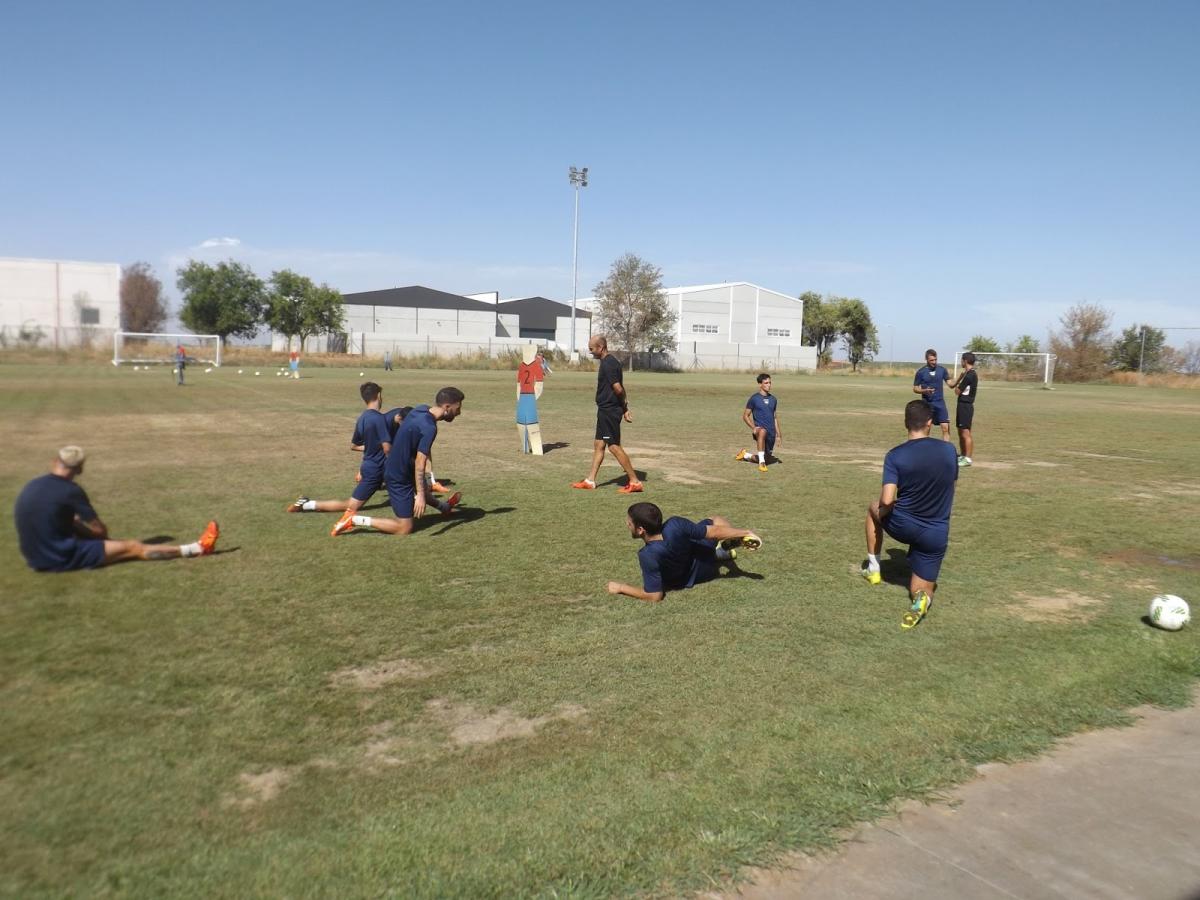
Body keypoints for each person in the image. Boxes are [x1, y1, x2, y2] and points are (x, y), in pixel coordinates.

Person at [14, 446, 219, 571]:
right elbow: (100, 531)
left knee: (73, 521)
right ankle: (198, 548)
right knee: (133, 547)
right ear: (80, 468)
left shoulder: (33, 484)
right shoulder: (70, 490)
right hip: (58, 557)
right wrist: (105, 541)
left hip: (33, 555)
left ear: (55, 461)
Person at [861, 399, 958, 629]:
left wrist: (887, 508)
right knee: (919, 587)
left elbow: (886, 499)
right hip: (936, 531)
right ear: (930, 423)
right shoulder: (949, 450)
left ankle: (873, 569)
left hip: (904, 525)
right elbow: (952, 486)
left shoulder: (895, 455)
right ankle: (921, 599)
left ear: (906, 423)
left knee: (873, 508)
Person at [332, 387, 464, 536]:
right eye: (457, 408)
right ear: (446, 407)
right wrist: (419, 495)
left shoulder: (420, 410)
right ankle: (354, 519)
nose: (459, 412)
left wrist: (421, 491)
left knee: (423, 489)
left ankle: (445, 508)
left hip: (403, 468)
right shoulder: (429, 427)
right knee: (404, 527)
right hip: (398, 476)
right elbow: (421, 462)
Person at [605, 502, 762, 602]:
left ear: (640, 530)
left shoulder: (648, 555)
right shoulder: (675, 524)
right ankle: (722, 550)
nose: (627, 525)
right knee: (716, 520)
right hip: (703, 556)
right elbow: (713, 531)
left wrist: (621, 588)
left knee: (708, 536)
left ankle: (720, 553)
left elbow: (654, 596)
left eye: (629, 523)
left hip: (700, 575)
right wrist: (745, 532)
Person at [286, 382, 393, 524]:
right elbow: (387, 448)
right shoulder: (379, 418)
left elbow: (355, 445)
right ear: (378, 396)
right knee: (351, 505)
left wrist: (372, 448)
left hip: (369, 466)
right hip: (376, 470)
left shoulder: (362, 418)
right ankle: (307, 504)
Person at [572, 335, 642, 493]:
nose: (590, 352)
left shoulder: (608, 364)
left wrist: (624, 408)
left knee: (614, 446)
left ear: (601, 347)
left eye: (592, 349)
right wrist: (624, 409)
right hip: (605, 410)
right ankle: (590, 480)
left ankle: (635, 481)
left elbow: (618, 388)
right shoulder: (610, 362)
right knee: (599, 444)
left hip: (609, 411)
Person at [735, 373, 782, 472]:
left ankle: (746, 455)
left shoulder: (773, 399)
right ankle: (761, 463)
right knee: (762, 431)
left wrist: (778, 435)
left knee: (768, 459)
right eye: (766, 383)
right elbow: (745, 416)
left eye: (770, 383)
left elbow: (774, 418)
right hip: (759, 430)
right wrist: (754, 427)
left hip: (771, 432)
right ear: (760, 384)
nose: (769, 385)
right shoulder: (754, 399)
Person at [913, 349, 953, 441]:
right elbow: (915, 388)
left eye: (935, 359)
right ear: (926, 359)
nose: (934, 362)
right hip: (927, 404)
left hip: (940, 403)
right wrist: (924, 391)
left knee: (945, 428)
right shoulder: (921, 372)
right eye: (931, 360)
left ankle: (945, 450)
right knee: (926, 429)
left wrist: (960, 378)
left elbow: (950, 384)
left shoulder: (942, 370)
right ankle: (926, 450)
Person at [948, 352, 978, 467]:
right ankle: (963, 455)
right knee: (961, 431)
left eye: (961, 360)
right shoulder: (969, 373)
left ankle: (968, 458)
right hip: (962, 405)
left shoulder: (970, 375)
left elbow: (957, 391)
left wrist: (959, 379)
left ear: (965, 361)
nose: (961, 362)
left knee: (965, 432)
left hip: (966, 406)